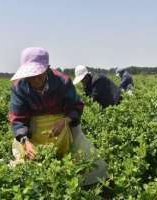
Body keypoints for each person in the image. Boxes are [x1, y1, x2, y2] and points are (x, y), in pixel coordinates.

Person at [9, 47, 107, 186]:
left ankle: (77, 184)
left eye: (39, 74)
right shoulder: (19, 87)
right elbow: (18, 118)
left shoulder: (62, 82)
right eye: (31, 76)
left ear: (47, 69)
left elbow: (76, 106)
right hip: (33, 129)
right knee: (29, 163)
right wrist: (25, 140)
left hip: (63, 124)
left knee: (80, 151)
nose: (36, 79)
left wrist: (65, 120)